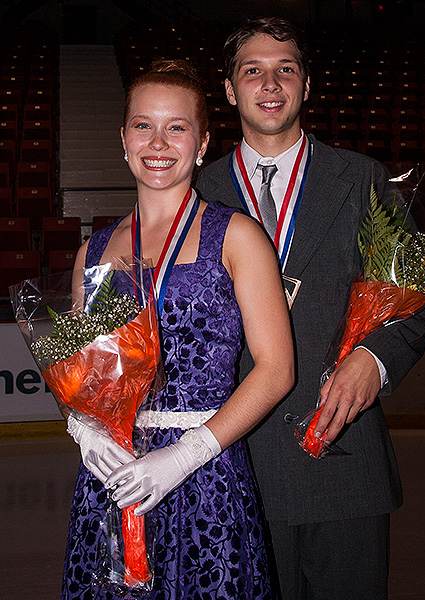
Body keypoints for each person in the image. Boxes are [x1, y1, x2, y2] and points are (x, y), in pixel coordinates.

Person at [195, 17, 425, 600]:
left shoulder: (361, 179)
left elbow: (417, 293)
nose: (271, 83)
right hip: (236, 468)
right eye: (252, 71)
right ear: (230, 90)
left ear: (307, 84)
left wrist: (375, 360)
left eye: (287, 69)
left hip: (344, 461)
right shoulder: (199, 192)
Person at [61, 59, 294, 600]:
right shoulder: (92, 254)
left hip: (204, 476)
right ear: (123, 139)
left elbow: (278, 369)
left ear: (203, 140)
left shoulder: (238, 238)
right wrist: (84, 430)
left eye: (177, 126)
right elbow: (81, 376)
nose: (158, 142)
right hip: (113, 481)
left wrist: (184, 456)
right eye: (143, 125)